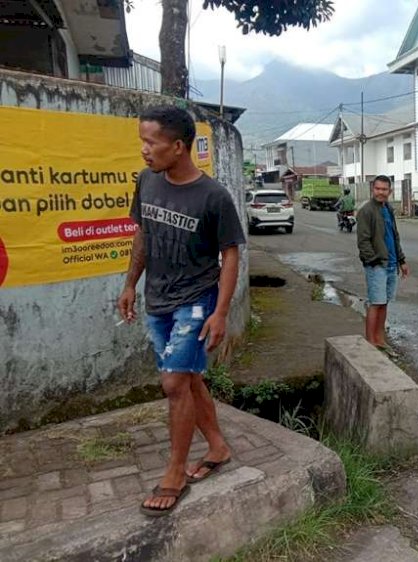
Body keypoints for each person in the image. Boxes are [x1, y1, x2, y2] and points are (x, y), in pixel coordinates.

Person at [118, 106, 246, 516]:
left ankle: (174, 471)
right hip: (157, 298)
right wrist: (129, 284)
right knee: (188, 381)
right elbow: (142, 234)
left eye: (151, 142)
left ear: (177, 146)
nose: (144, 150)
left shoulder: (214, 196)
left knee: (173, 384)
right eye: (143, 140)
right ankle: (218, 447)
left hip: (196, 300)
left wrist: (221, 311)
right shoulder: (148, 181)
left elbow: (230, 256)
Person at [356, 175, 409, 349]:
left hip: (392, 264)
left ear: (390, 191)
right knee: (375, 303)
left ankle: (380, 339)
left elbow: (394, 236)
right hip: (377, 265)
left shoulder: (388, 209)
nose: (381, 192)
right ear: (373, 189)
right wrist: (373, 261)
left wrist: (402, 260)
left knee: (384, 303)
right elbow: (363, 241)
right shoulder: (366, 211)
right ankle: (371, 341)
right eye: (378, 189)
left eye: (384, 189)